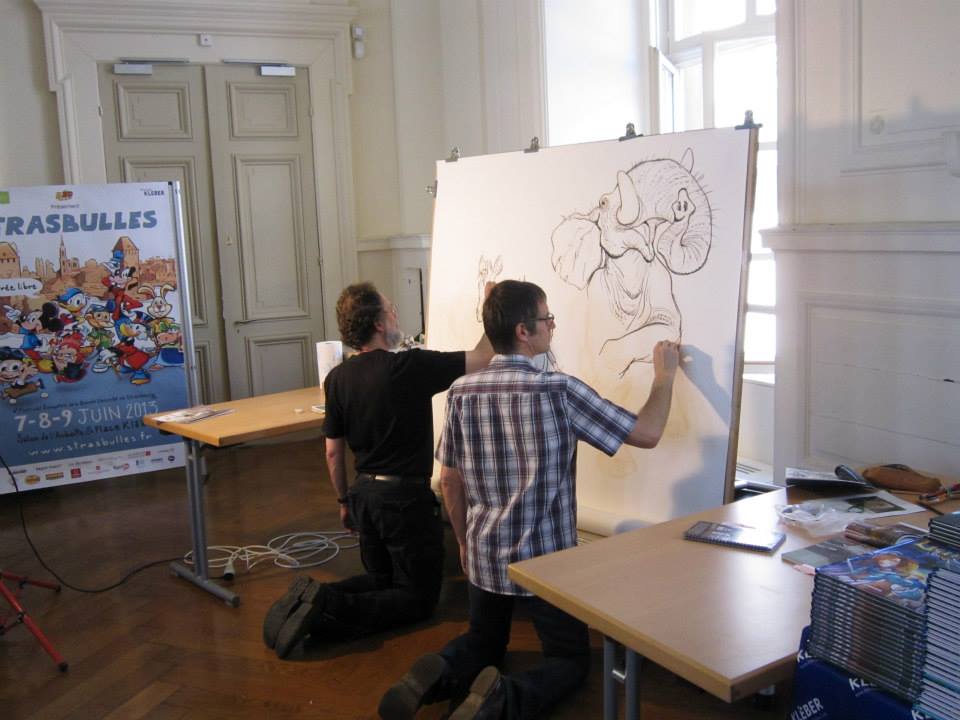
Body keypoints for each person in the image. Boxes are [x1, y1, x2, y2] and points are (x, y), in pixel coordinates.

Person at [378, 279, 680, 720]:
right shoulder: (559, 391)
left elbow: (450, 481)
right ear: (524, 331)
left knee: (484, 642)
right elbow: (647, 433)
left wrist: (463, 542)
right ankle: (502, 701)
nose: (552, 325)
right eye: (546, 318)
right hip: (546, 565)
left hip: (485, 552)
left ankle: (436, 673)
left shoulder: (461, 391)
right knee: (568, 660)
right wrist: (665, 376)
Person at [264, 281, 493, 659]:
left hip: (363, 497)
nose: (396, 314)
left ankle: (317, 596)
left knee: (381, 579)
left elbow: (333, 452)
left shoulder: (337, 378)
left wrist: (344, 502)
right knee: (418, 599)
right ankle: (326, 606)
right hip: (404, 501)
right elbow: (484, 357)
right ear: (378, 324)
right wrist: (491, 307)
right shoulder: (409, 367)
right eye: (391, 309)